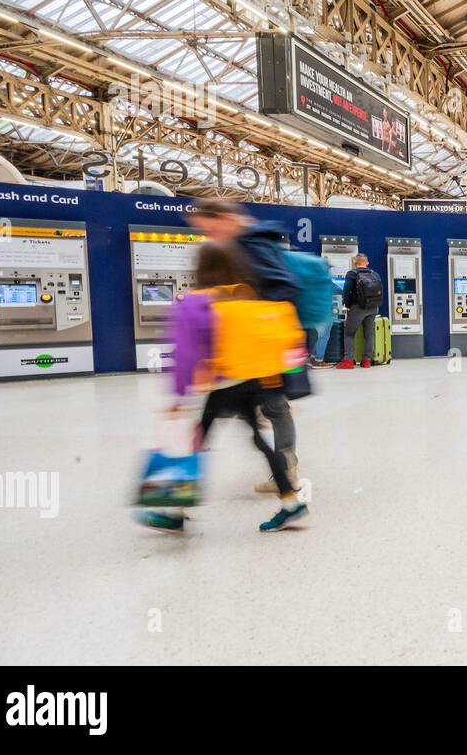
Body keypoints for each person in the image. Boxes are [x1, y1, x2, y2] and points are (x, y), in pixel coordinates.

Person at [138, 241, 309, 533]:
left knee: (197, 441)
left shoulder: (195, 301)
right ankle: (292, 502)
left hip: (222, 383)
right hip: (250, 378)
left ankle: (176, 511)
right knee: (256, 439)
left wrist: (179, 396)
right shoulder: (245, 294)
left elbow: (187, 353)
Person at [185, 199, 301, 493]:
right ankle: (287, 486)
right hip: (246, 353)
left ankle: (287, 474)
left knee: (274, 408)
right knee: (262, 415)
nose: (207, 234)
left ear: (223, 218)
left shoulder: (252, 244)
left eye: (207, 226)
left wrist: (250, 313)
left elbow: (286, 287)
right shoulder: (240, 244)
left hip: (258, 348)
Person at [338, 253, 382, 369]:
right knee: (369, 334)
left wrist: (347, 305)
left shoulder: (352, 274)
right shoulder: (375, 274)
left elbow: (347, 291)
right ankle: (366, 361)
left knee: (349, 334)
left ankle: (348, 361)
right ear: (367, 263)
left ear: (354, 262)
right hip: (373, 307)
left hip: (358, 308)